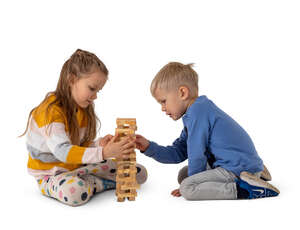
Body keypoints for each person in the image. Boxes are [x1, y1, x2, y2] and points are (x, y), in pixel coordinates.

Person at [135, 62, 279, 200]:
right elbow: (178, 152)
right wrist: (148, 147)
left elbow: (196, 155)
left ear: (182, 92)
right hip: (236, 162)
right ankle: (254, 172)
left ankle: (247, 189)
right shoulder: (197, 112)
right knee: (183, 175)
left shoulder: (198, 112)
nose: (163, 108)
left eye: (163, 101)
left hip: (234, 166)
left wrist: (193, 183)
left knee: (187, 187)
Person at [20, 49, 147, 206]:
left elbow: (78, 146)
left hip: (77, 167)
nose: (95, 96)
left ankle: (89, 180)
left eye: (98, 91)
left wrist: (99, 144)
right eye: (92, 88)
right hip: (51, 174)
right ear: (72, 79)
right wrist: (104, 153)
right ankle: (97, 183)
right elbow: (63, 151)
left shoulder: (82, 108)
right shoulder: (50, 112)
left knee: (138, 173)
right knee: (76, 191)